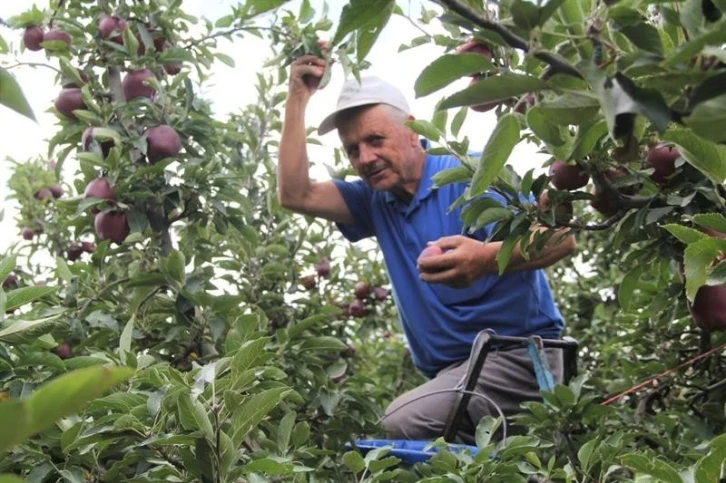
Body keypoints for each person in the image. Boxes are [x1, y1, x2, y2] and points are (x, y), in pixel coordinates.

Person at [277, 52, 577, 444]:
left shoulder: (474, 175)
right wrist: (297, 96)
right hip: (456, 376)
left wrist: (487, 259)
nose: (365, 158)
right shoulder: (374, 201)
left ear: (413, 130)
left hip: (520, 358)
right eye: (353, 150)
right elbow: (295, 193)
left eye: (375, 140)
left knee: (394, 431)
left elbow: (561, 238)